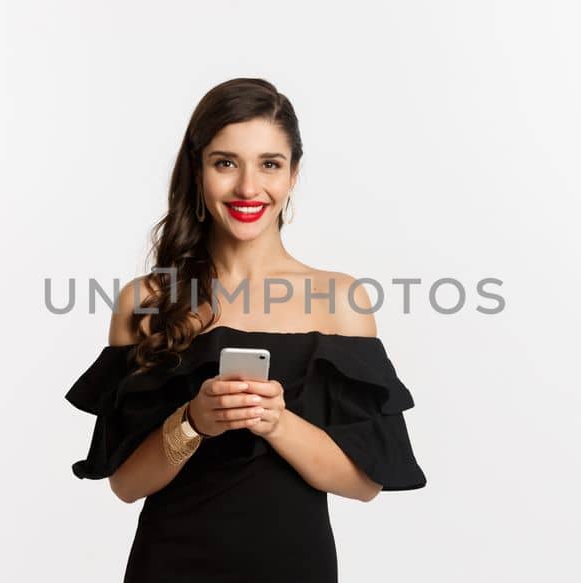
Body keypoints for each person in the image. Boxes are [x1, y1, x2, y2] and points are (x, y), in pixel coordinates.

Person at [65, 78, 427, 582]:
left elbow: (365, 483)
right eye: (225, 163)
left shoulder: (341, 299)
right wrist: (193, 421)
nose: (248, 188)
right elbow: (125, 484)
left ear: (294, 174)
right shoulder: (146, 300)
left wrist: (275, 421)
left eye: (270, 164)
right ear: (198, 171)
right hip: (170, 562)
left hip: (295, 566)